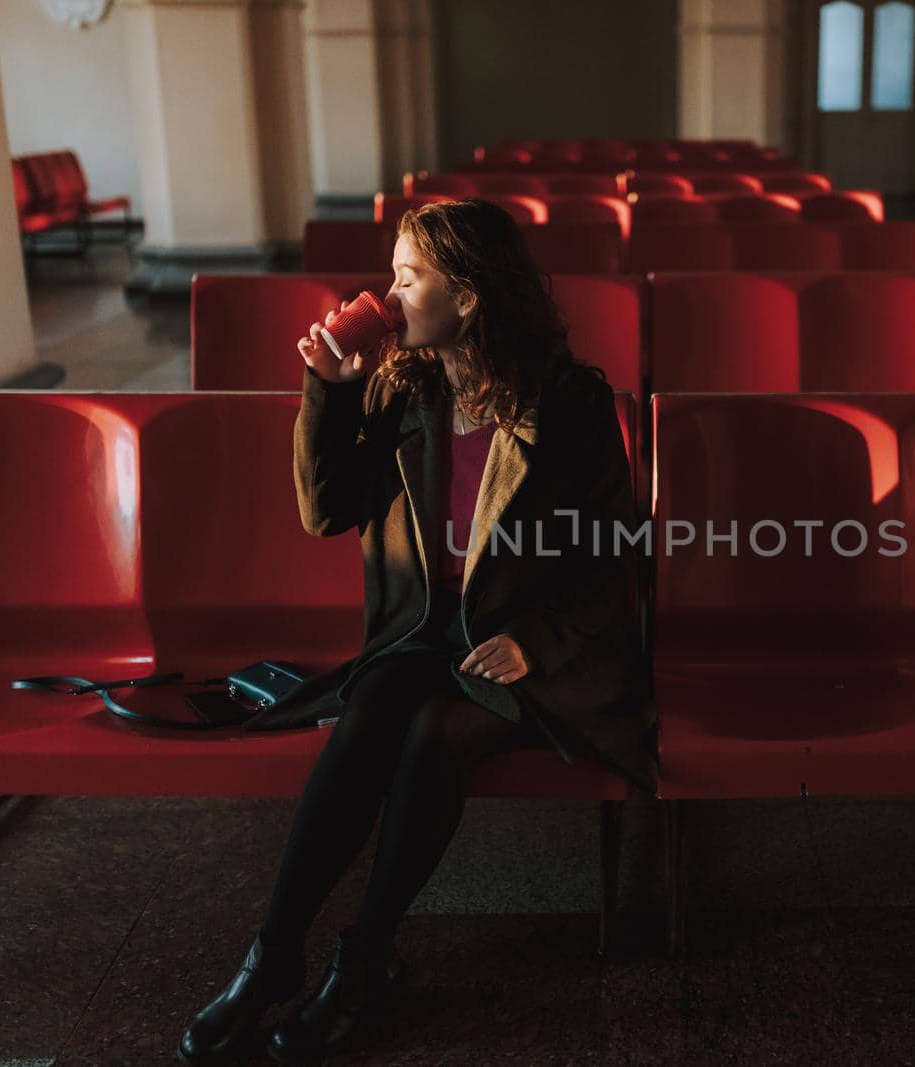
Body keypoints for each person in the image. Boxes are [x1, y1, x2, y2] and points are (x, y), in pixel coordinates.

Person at [178, 200, 654, 1065]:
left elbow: (616, 558)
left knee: (432, 734)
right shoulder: (403, 386)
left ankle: (365, 960)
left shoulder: (573, 402)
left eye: (408, 276)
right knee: (371, 712)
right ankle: (274, 955)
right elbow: (326, 510)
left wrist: (534, 642)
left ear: (467, 295)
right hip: (422, 633)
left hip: (534, 649)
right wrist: (330, 389)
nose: (388, 292)